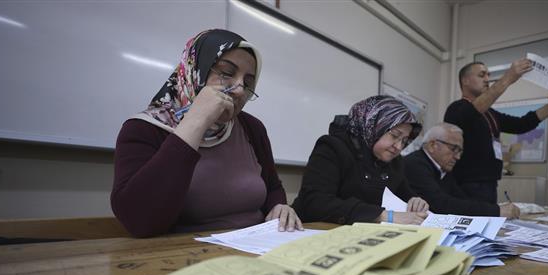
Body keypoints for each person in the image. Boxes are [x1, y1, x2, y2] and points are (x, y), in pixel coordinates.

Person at [111, 29, 302, 237]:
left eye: (248, 83)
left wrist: (279, 206)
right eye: (226, 73)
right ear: (195, 70)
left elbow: (273, 187)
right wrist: (196, 120)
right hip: (187, 251)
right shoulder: (144, 129)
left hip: (256, 245)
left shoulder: (252, 128)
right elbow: (139, 221)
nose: (239, 90)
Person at [444, 59, 548, 203]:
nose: (487, 79)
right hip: (465, 184)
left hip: (490, 183)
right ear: (465, 81)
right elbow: (471, 111)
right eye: (481, 75)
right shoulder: (456, 109)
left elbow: (522, 124)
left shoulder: (490, 113)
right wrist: (509, 77)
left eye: (488, 75)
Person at [292, 95, 429, 225]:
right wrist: (384, 216)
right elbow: (316, 203)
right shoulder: (332, 147)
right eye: (394, 135)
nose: (399, 146)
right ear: (373, 126)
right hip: (314, 229)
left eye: (404, 141)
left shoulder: (395, 161)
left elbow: (404, 193)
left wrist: (414, 201)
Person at [404, 123, 520, 218]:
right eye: (454, 149)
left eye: (460, 151)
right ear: (432, 145)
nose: (458, 157)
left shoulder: (442, 168)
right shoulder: (414, 165)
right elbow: (441, 205)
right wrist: (495, 211)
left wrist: (494, 209)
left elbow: (462, 199)